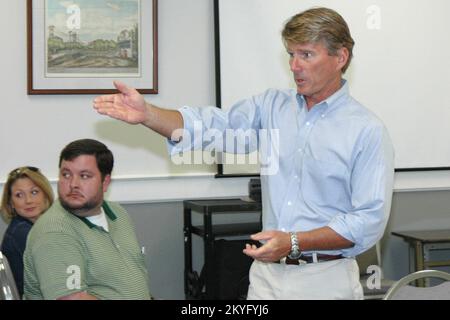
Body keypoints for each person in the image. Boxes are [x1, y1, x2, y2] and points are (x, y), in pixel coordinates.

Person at [93, 7, 394, 299]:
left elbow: (367, 222)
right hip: (266, 277)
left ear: (340, 57)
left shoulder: (366, 130)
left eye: (306, 54)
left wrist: (293, 242)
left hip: (324, 280)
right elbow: (213, 127)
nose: (294, 66)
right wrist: (148, 114)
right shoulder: (273, 106)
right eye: (291, 54)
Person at [23, 139, 151, 300]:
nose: (73, 184)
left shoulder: (118, 213)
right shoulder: (55, 231)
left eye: (84, 176)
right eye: (66, 174)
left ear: (105, 182)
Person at [1, 166, 54, 298]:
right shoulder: (22, 233)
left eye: (34, 192)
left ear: (45, 195)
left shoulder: (42, 226)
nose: (28, 200)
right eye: (19, 195)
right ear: (11, 203)